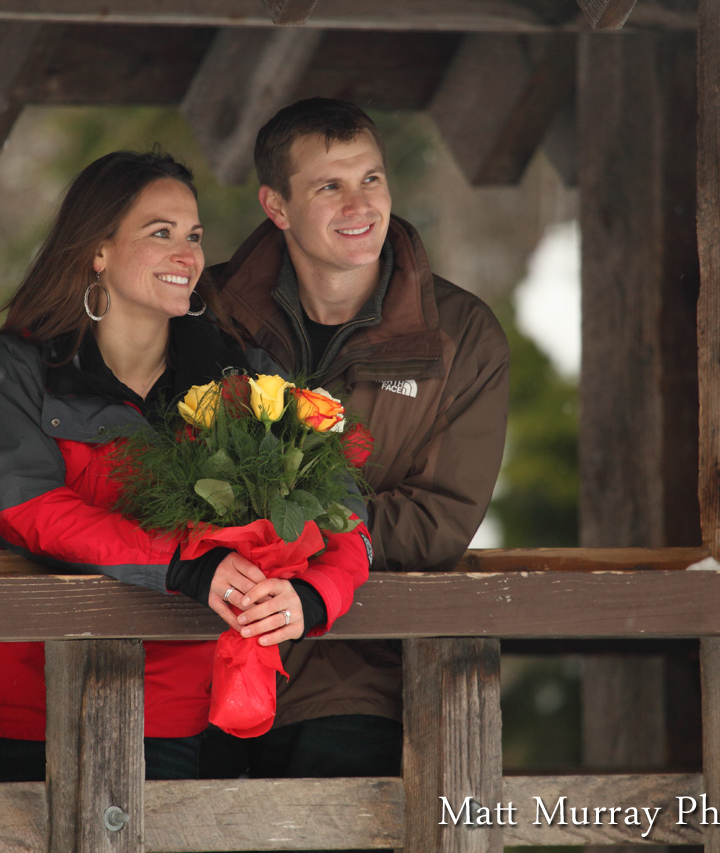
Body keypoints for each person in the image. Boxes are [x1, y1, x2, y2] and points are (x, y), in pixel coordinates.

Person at [0, 150, 371, 784]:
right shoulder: (14, 367)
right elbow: (25, 508)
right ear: (97, 249)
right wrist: (181, 562)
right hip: (16, 708)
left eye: (193, 235)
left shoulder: (243, 378)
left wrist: (310, 597)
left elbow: (347, 518)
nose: (187, 253)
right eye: (160, 233)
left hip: (180, 720)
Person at [199, 99, 510, 793]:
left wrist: (294, 530)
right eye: (328, 186)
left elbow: (440, 519)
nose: (358, 204)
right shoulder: (207, 312)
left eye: (370, 179)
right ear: (276, 207)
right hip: (206, 656)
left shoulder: (460, 335)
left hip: (359, 668)